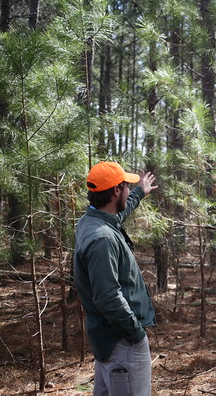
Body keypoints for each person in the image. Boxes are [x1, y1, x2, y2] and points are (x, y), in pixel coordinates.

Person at [74, 161, 158, 396]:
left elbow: (120, 213)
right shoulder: (103, 238)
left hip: (108, 340)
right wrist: (136, 334)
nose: (129, 191)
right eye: (126, 187)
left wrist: (141, 191)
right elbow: (108, 296)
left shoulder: (92, 221)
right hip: (122, 342)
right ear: (116, 191)